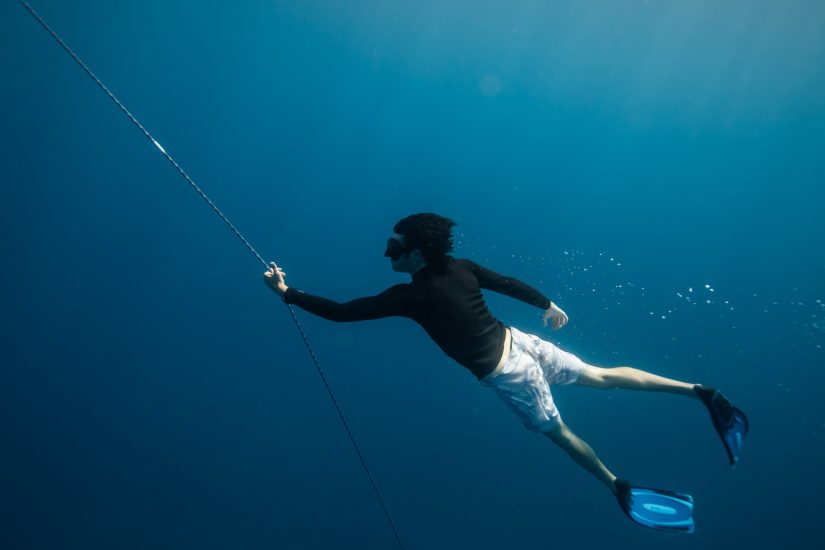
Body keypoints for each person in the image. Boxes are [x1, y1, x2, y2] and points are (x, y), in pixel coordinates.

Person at [263, 213, 747, 532]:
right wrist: (547, 303)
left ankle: (618, 485)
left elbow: (346, 312)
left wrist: (288, 294)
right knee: (600, 375)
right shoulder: (463, 268)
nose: (387, 253)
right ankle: (698, 391)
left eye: (394, 246)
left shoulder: (410, 295)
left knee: (557, 431)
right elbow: (508, 283)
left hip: (507, 371)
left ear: (417, 252)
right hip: (522, 340)